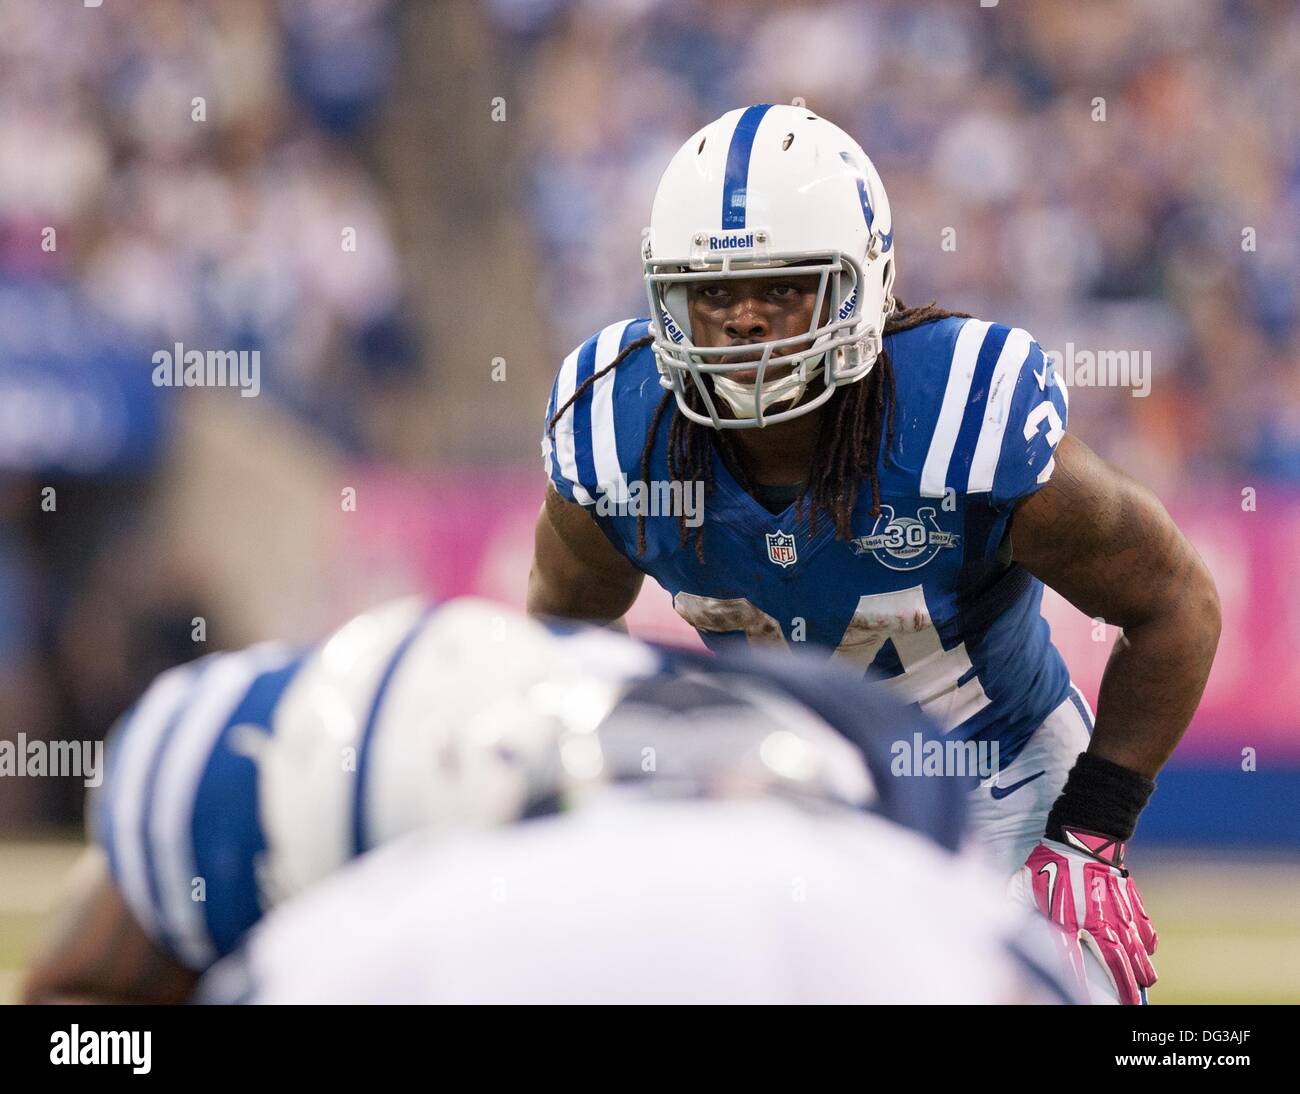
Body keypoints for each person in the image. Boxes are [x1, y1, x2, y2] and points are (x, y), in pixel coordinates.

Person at [530, 104, 1221, 1004]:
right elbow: (560, 639)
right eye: (712, 290)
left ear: (862, 286)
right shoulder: (620, 429)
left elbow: (1176, 603)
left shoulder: (958, 417)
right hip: (789, 795)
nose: (741, 322)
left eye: (781, 288)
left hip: (1005, 787)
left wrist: (1093, 830)